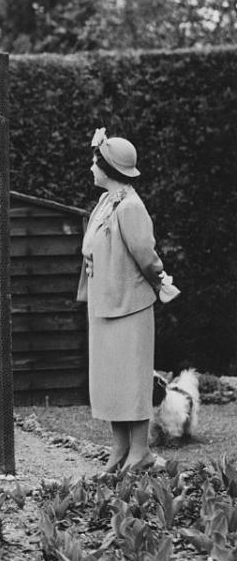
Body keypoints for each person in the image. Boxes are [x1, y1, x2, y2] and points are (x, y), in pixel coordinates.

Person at [77, 128, 165, 475]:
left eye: (95, 162)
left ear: (108, 168)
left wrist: (161, 282)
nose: (91, 167)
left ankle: (140, 451)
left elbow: (146, 255)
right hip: (103, 304)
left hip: (130, 306)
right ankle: (119, 449)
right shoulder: (105, 202)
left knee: (132, 378)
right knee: (109, 380)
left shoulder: (130, 206)